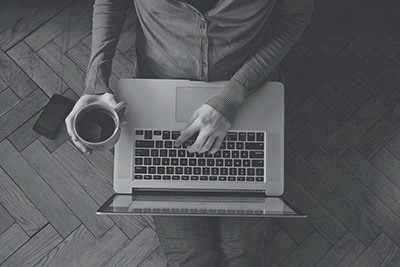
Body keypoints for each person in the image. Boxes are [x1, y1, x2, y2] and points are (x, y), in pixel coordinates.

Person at [65, 0, 314, 266]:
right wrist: (95, 81)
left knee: (243, 257)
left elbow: (293, 18)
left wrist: (232, 96)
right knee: (191, 258)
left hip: (249, 92)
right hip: (159, 93)